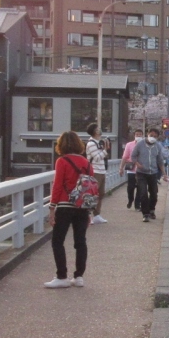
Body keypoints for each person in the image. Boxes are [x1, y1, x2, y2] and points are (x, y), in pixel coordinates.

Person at [45, 131, 92, 289]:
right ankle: (78, 277)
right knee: (80, 242)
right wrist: (89, 211)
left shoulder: (62, 161)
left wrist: (52, 208)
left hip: (65, 205)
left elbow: (57, 185)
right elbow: (90, 188)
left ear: (61, 145)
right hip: (82, 206)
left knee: (58, 241)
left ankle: (62, 276)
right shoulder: (86, 162)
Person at [132, 127, 163, 221]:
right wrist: (137, 164)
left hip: (153, 173)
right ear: (147, 134)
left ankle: (151, 210)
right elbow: (133, 156)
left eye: (155, 136)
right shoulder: (140, 144)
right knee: (143, 193)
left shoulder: (158, 146)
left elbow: (160, 161)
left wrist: (164, 173)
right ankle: (145, 214)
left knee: (154, 194)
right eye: (151, 135)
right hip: (141, 173)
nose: (153, 137)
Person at [85, 122, 109, 225]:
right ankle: (88, 215)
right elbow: (97, 157)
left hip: (101, 170)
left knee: (100, 193)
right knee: (92, 194)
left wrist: (104, 150)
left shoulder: (98, 142)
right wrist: (105, 150)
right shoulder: (91, 144)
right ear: (94, 131)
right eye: (98, 128)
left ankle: (96, 215)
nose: (100, 130)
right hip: (94, 171)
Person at [121, 128, 142, 210]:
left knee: (141, 187)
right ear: (134, 135)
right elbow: (125, 157)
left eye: (140, 135)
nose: (138, 136)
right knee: (130, 187)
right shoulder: (129, 145)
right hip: (131, 169)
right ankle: (130, 199)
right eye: (137, 135)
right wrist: (121, 168)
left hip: (141, 169)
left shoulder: (145, 145)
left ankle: (137, 204)